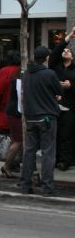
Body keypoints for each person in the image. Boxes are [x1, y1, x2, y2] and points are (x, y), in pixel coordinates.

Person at [20, 46, 63, 196]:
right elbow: (59, 91)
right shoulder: (49, 74)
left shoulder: (26, 74)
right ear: (46, 58)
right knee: (48, 153)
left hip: (30, 118)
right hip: (46, 117)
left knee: (29, 152)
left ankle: (25, 185)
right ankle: (47, 187)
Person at [48, 26, 75, 171]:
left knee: (66, 134)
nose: (65, 51)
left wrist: (71, 85)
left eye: (68, 51)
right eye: (65, 50)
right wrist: (69, 36)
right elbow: (56, 52)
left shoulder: (74, 70)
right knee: (55, 134)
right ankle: (55, 159)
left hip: (70, 107)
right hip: (55, 106)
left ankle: (65, 160)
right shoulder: (55, 66)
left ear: (72, 57)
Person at [0, 50, 20, 176]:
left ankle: (10, 162)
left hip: (6, 108)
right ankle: (13, 163)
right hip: (18, 110)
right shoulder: (21, 70)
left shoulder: (4, 71)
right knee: (17, 138)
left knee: (11, 138)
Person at [1, 67, 22, 178]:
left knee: (16, 140)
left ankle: (9, 163)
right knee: (18, 141)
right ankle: (7, 165)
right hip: (16, 113)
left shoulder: (15, 80)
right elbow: (21, 99)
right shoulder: (18, 82)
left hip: (13, 112)